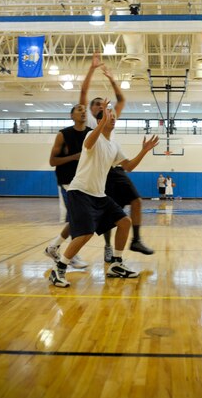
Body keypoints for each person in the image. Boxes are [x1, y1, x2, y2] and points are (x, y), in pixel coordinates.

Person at [49, 100, 159, 287]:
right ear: (101, 120)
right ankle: (59, 269)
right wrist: (101, 122)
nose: (113, 119)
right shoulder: (92, 136)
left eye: (114, 117)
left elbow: (129, 167)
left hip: (99, 195)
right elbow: (90, 143)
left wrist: (144, 151)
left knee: (125, 222)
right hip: (80, 191)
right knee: (85, 234)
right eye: (109, 116)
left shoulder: (113, 145)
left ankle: (116, 263)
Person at [80, 54, 154, 262]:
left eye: (101, 103)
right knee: (111, 214)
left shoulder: (110, 119)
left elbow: (121, 100)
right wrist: (92, 69)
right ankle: (107, 246)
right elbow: (84, 92)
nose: (98, 105)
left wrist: (112, 78)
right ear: (91, 110)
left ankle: (136, 240)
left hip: (115, 167)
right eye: (94, 104)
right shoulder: (90, 123)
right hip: (99, 171)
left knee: (137, 201)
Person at [44, 104, 92, 269]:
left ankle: (53, 247)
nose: (83, 111)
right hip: (67, 182)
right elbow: (52, 161)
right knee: (78, 218)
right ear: (71, 115)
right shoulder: (63, 135)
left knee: (77, 218)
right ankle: (70, 255)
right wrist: (74, 157)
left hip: (85, 181)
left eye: (84, 109)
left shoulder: (91, 133)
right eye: (79, 109)